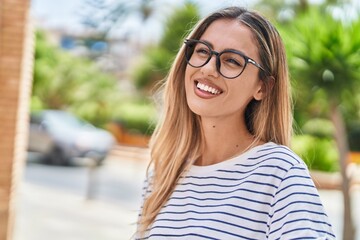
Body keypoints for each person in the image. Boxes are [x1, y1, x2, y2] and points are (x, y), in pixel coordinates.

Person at [136, 6, 335, 239]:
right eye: (202, 51)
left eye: (232, 60)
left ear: (263, 87)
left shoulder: (280, 173)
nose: (208, 68)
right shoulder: (163, 174)